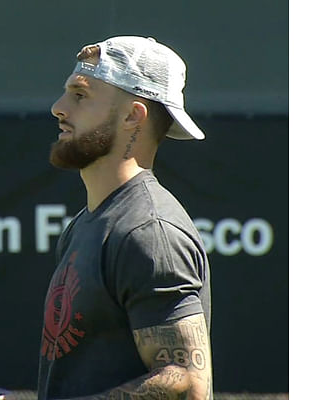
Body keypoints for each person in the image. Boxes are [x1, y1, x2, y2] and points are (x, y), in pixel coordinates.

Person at [38, 36, 213, 399]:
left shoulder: (149, 232)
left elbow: (186, 385)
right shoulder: (86, 224)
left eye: (80, 95)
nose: (58, 107)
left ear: (133, 116)